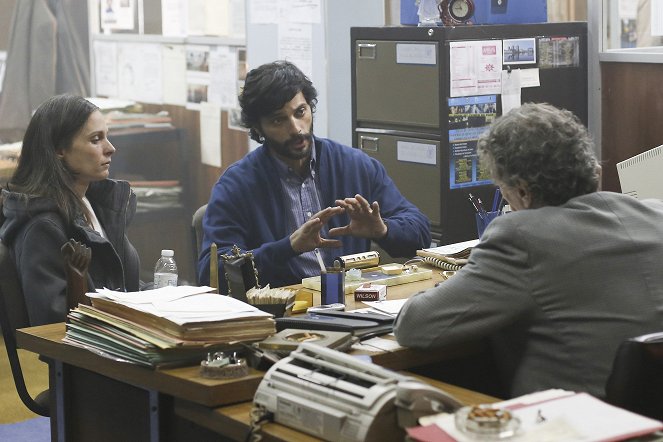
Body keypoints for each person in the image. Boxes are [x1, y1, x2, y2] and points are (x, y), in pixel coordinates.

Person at [394, 102, 663, 399]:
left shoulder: (522, 237)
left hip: (576, 425)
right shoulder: (656, 215)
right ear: (594, 172)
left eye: (502, 190)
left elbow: (415, 326)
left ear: (521, 192)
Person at [198, 60, 430, 291]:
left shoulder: (355, 166)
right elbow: (213, 272)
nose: (296, 128)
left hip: (351, 305)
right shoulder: (237, 185)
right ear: (258, 128)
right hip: (281, 315)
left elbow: (420, 233)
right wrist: (288, 247)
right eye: (279, 120)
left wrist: (382, 229)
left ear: (310, 107)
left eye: (300, 112)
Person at [0, 94, 141, 326]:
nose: (110, 149)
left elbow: (123, 287)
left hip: (129, 338)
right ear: (59, 149)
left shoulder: (96, 204)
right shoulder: (42, 226)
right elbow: (53, 321)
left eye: (107, 137)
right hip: (96, 353)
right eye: (96, 140)